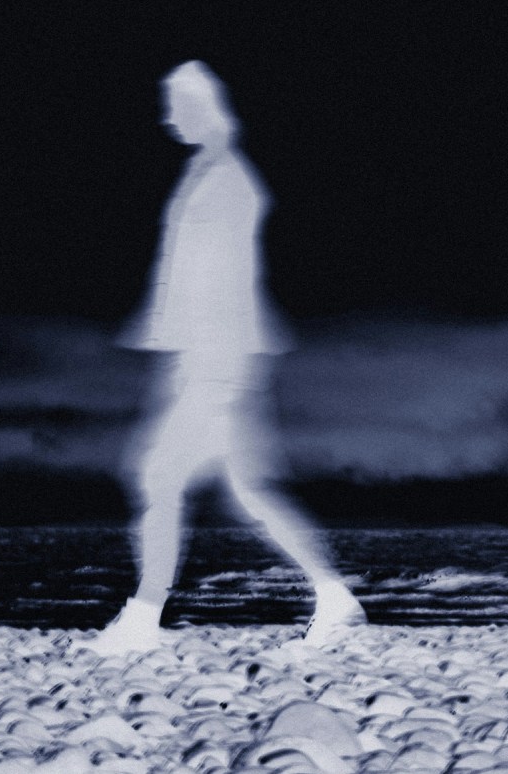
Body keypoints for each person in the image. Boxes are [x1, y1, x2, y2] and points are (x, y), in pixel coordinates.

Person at [86, 61, 365, 655]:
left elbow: (224, 279)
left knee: (158, 477)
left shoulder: (225, 179)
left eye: (175, 106)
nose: (167, 118)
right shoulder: (212, 172)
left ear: (202, 106)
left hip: (215, 358)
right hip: (216, 356)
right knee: (247, 491)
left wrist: (208, 367)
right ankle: (334, 595)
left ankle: (142, 618)